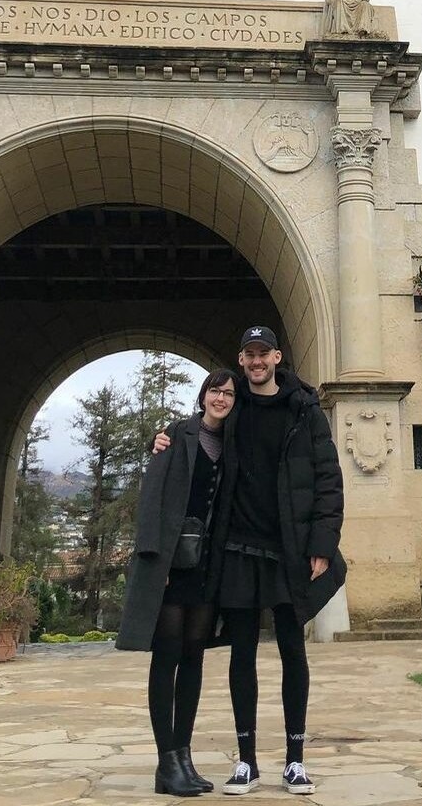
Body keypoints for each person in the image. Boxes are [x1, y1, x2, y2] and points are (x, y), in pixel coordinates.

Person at [153, 326, 345, 796]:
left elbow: (328, 477)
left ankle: (295, 760)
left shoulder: (305, 409)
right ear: (241, 360)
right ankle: (247, 761)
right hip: (237, 549)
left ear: (277, 357)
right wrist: (163, 440)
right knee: (242, 655)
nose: (256, 361)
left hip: (289, 549)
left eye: (264, 353)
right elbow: (200, 430)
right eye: (249, 354)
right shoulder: (233, 405)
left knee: (293, 651)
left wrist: (322, 543)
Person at [116, 368, 238, 798]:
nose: (221, 398)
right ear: (203, 396)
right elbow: (152, 496)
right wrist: (155, 558)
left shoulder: (233, 443)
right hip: (171, 563)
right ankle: (166, 760)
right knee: (166, 657)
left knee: (193, 658)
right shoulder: (175, 434)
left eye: (228, 393)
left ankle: (183, 756)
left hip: (207, 565)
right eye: (215, 391)